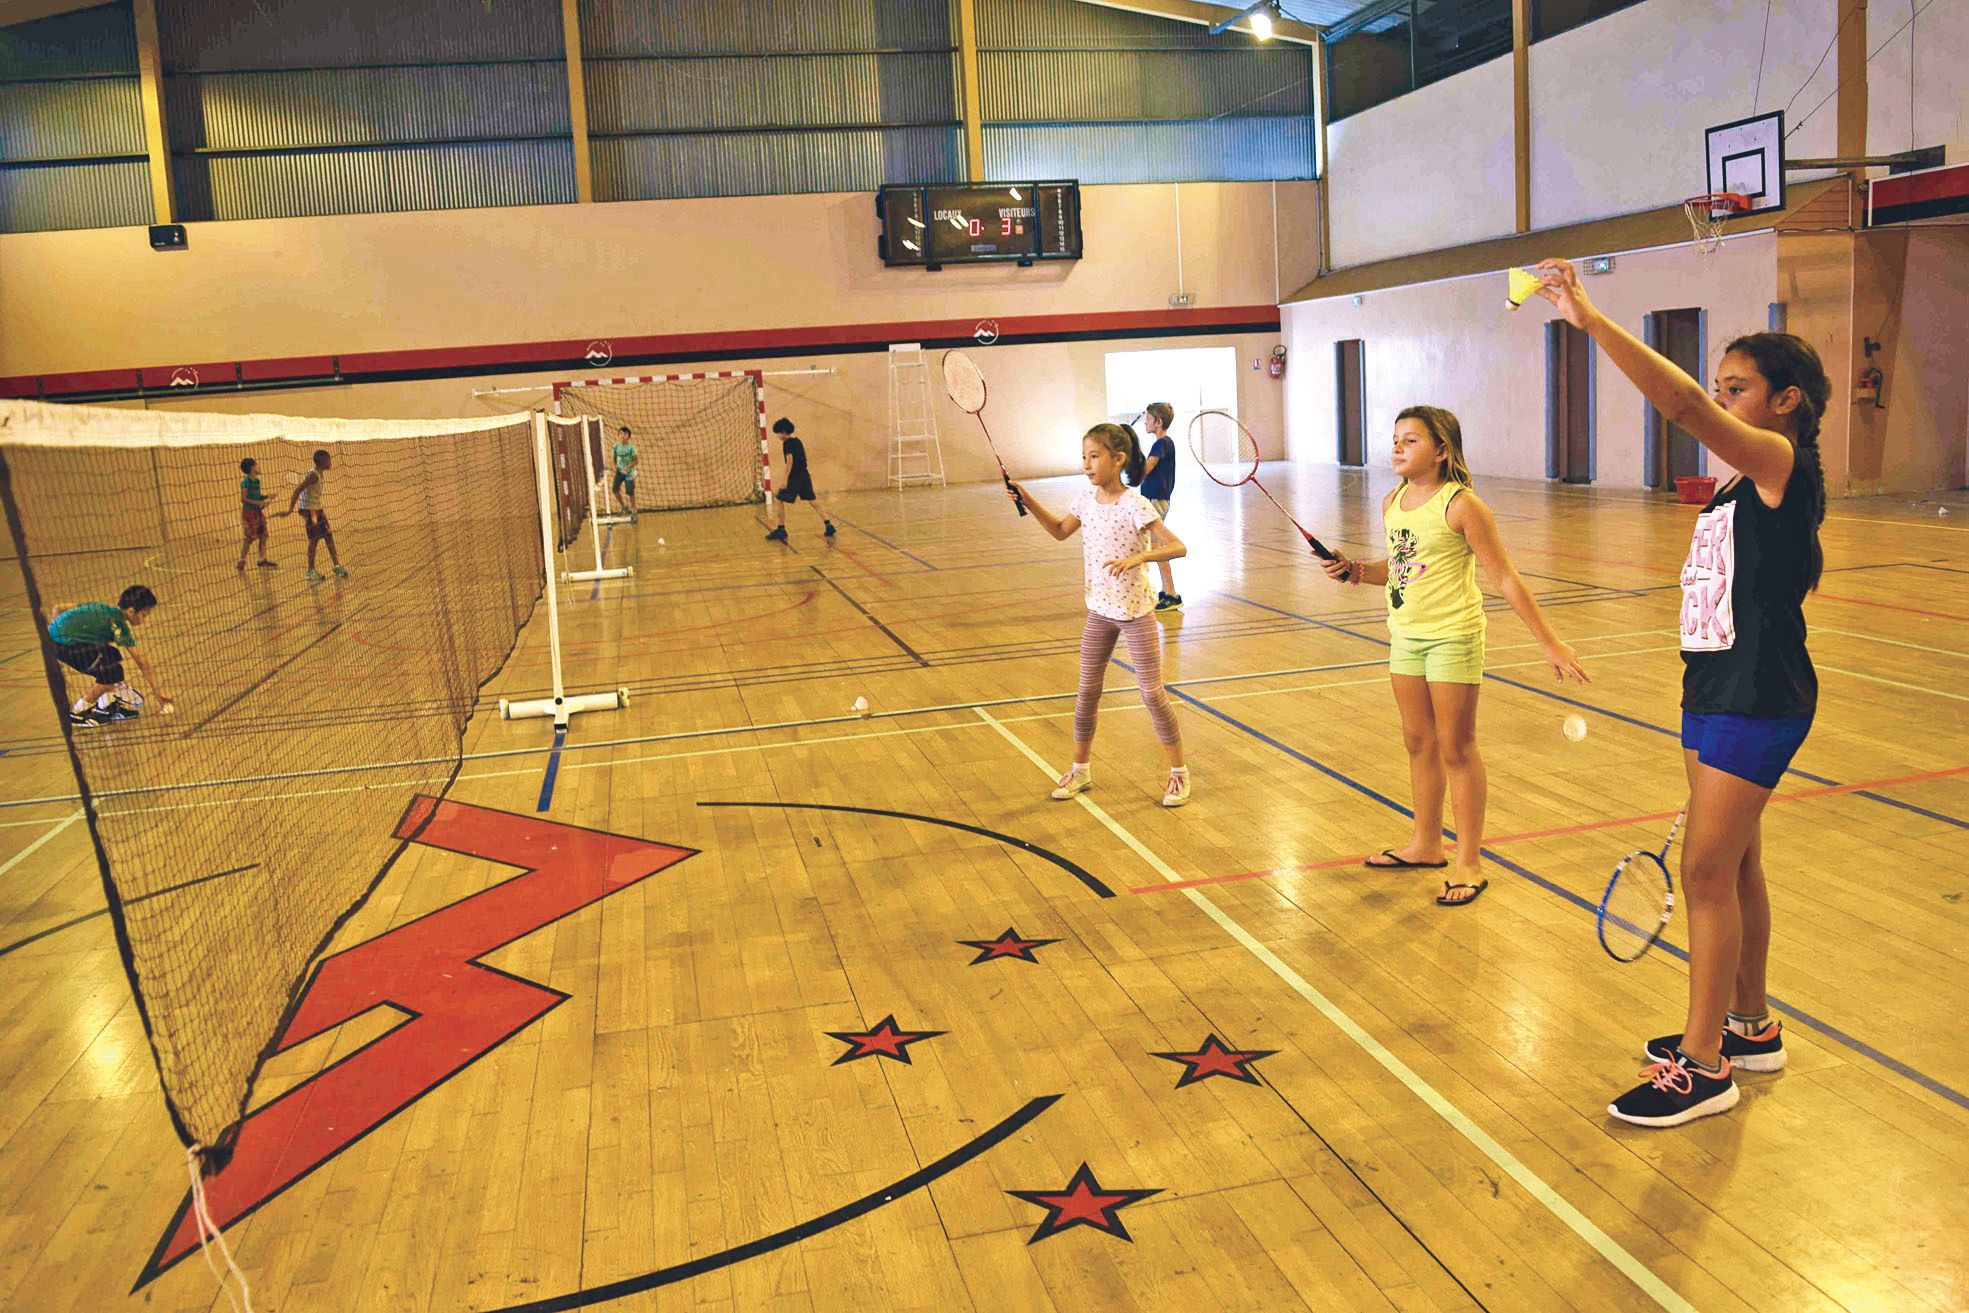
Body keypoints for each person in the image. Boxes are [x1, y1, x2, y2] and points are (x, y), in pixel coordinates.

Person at [1534, 258, 1828, 1128]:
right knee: (1734, 863)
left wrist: (1590, 321)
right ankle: (1748, 1027)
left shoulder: (1779, 461)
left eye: (1737, 387)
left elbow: (1681, 411)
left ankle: (1703, 1067)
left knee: (1703, 868)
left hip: (1759, 694)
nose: (1718, 398)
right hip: (1711, 684)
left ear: (1784, 402)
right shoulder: (1739, 483)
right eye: (1719, 385)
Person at [1320, 406, 1587, 907]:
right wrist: (1356, 569)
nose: (1398, 447)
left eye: (1412, 440)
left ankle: (1468, 860)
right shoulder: (1392, 501)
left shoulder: (1463, 505)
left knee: (1456, 747)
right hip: (1405, 635)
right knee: (1417, 740)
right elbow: (1403, 568)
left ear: (1442, 450)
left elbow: (1505, 577)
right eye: (1395, 439)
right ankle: (1425, 844)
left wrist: (1549, 640)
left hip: (1453, 637)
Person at [1007, 423, 1191, 807]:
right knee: (1087, 691)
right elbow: (1059, 531)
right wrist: (1026, 496)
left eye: (1094, 456)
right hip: (1099, 612)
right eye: (1084, 457)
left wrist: (1141, 556)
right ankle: (1081, 769)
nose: (1087, 465)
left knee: (1151, 693)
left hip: (1135, 612)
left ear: (1118, 459)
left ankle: (1178, 773)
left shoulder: (1135, 505)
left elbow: (1178, 547)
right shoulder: (1084, 502)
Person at [46, 585, 174, 725]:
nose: (144, 619)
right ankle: (77, 713)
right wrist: (159, 692)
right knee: (110, 673)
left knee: (112, 655)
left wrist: (57, 628)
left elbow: (58, 608)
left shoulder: (101, 608)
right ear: (131, 611)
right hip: (64, 647)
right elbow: (141, 661)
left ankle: (105, 707)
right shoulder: (117, 624)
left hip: (58, 641)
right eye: (144, 615)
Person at [1136, 403, 1182, 612]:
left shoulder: (1162, 444)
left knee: (1156, 548)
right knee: (1153, 546)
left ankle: (1171, 594)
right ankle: (1166, 591)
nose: (1145, 422)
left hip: (1156, 500)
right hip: (1153, 499)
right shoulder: (1162, 444)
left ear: (1159, 422)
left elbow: (1145, 469)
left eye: (1148, 419)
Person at [280, 448, 347, 583]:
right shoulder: (313, 475)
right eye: (328, 458)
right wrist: (289, 510)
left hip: (317, 509)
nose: (330, 461)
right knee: (314, 540)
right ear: (323, 461)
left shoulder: (320, 474)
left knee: (328, 536)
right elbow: (298, 490)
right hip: (310, 511)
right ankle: (310, 570)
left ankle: (336, 566)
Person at [764, 417, 834, 541]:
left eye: (778, 433)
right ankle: (828, 525)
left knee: (778, 500)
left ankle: (781, 529)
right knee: (812, 501)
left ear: (784, 431)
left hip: (795, 477)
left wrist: (785, 479)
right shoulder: (798, 441)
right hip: (804, 475)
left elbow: (789, 462)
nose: (778, 436)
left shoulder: (787, 443)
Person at [235, 457, 276, 572]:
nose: (259, 466)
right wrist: (259, 502)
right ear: (252, 467)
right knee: (249, 538)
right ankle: (241, 560)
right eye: (257, 464)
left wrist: (267, 496)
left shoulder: (257, 481)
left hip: (257, 512)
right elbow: (243, 499)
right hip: (249, 513)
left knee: (264, 534)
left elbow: (257, 497)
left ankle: (262, 560)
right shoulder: (246, 481)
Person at [610, 425, 639, 520]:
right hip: (619, 472)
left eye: (625, 434)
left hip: (629, 473)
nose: (623, 436)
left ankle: (634, 510)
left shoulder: (631, 448)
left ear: (628, 436)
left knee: (630, 492)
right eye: (621, 433)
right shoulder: (616, 446)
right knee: (615, 489)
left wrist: (627, 468)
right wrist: (615, 467)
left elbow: (635, 461)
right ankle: (623, 507)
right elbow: (613, 459)